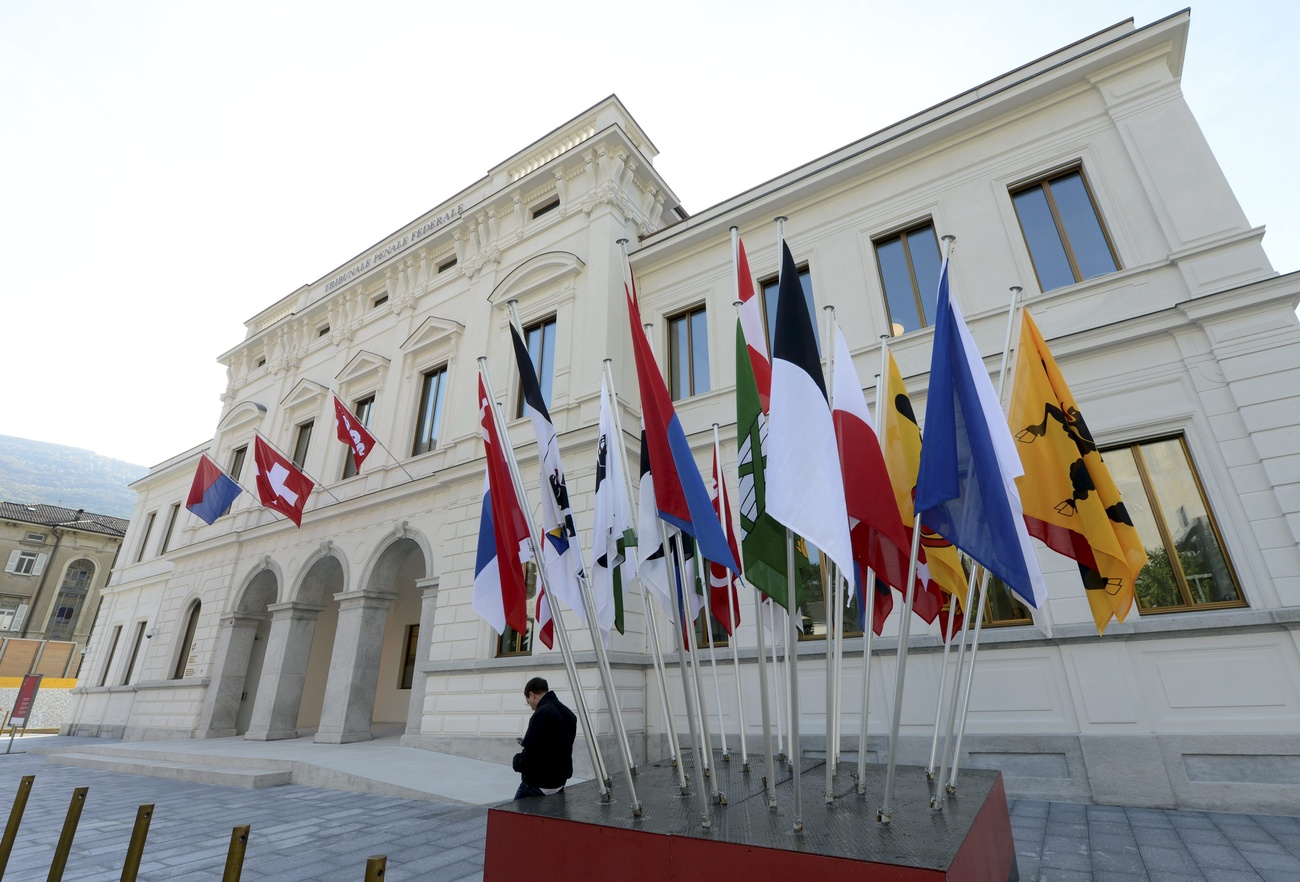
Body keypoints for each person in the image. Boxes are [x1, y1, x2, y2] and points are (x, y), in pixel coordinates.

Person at [512, 677, 576, 800]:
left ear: (532, 695)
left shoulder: (541, 713)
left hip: (538, 783)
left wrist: (516, 761)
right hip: (559, 782)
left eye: (528, 702)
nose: (530, 706)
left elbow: (530, 757)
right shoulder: (568, 713)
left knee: (511, 817)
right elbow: (554, 745)